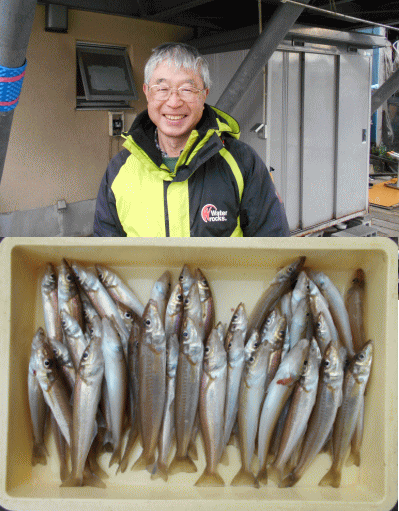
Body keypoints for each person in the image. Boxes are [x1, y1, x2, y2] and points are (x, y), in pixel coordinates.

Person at [93, 42, 290, 237]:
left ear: (204, 94)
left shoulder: (243, 162)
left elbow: (274, 250)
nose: (174, 102)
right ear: (147, 92)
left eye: (187, 89)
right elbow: (106, 258)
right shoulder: (119, 170)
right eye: (162, 89)